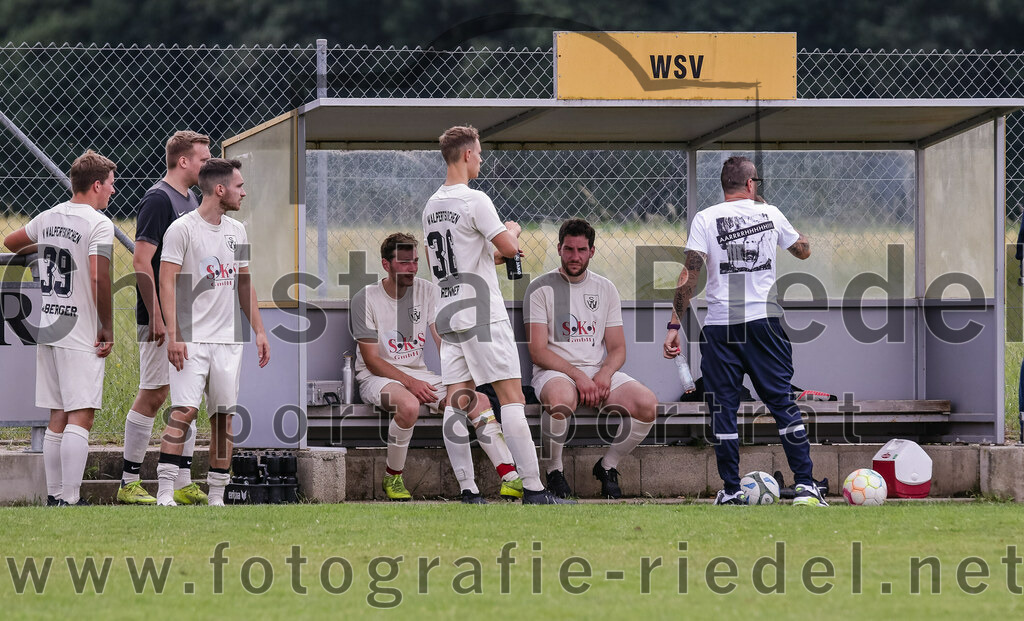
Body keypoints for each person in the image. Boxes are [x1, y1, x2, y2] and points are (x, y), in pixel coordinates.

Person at [663, 155, 826, 506]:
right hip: (764, 324)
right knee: (782, 402)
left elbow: (689, 276)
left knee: (723, 408)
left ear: (724, 186)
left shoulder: (705, 218)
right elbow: (804, 251)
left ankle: (732, 490)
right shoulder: (770, 214)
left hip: (721, 328)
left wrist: (674, 324)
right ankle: (806, 486)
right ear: (751, 185)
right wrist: (765, 208)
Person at [422, 125, 572, 505]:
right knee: (511, 398)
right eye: (479, 153)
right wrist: (512, 230)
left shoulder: (431, 206)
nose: (481, 160)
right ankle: (535, 489)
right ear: (467, 155)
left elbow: (445, 261)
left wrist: (497, 250)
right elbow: (508, 248)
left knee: (457, 398)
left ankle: (468, 490)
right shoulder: (475, 199)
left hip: (449, 308)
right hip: (481, 310)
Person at [351, 232, 524, 503]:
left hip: (418, 375)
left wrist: (462, 378)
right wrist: (411, 383)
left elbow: (443, 341)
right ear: (386, 264)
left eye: (415, 262)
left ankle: (510, 477)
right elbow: (371, 360)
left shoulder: (428, 290)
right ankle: (392, 475)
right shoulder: (365, 299)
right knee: (408, 405)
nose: (412, 268)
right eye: (404, 262)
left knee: (475, 400)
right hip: (376, 377)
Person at [3, 150, 117, 506]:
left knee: (58, 413)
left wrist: (50, 246)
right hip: (80, 327)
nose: (113, 192)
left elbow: (11, 242)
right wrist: (107, 327)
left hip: (50, 322)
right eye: (111, 185)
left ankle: (54, 496)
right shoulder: (99, 223)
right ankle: (70, 498)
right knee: (81, 413)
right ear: (96, 185)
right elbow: (99, 275)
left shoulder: (49, 216)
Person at [155, 158, 270, 506]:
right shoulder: (182, 229)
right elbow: (166, 281)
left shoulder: (238, 232)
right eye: (239, 186)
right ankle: (164, 491)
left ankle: (217, 495)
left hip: (228, 341)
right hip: (190, 340)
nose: (244, 192)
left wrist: (260, 332)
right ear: (220, 189)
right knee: (183, 412)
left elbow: (245, 282)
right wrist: (174, 335)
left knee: (223, 418)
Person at [525, 218, 658, 499]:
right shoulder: (540, 288)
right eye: (569, 249)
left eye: (581, 250)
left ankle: (607, 466)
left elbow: (618, 348)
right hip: (555, 373)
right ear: (559, 249)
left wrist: (604, 374)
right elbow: (537, 351)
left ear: (592, 251)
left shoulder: (605, 288)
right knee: (560, 399)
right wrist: (579, 377)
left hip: (596, 372)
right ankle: (554, 471)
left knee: (647, 405)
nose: (575, 257)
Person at [117, 131, 212, 506]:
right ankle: (128, 482)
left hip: (191, 317)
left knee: (186, 397)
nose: (207, 166)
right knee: (154, 393)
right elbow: (142, 261)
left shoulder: (191, 199)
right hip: (161, 317)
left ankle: (185, 480)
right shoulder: (158, 199)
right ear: (183, 161)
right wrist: (156, 314)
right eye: (202, 159)